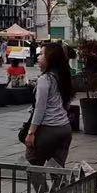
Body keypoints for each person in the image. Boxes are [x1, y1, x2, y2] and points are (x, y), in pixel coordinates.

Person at [25, 43, 74, 184]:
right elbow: (66, 104)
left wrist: (31, 133)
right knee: (57, 168)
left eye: (42, 54)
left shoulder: (45, 79)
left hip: (48, 129)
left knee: (32, 162)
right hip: (64, 128)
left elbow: (40, 108)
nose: (38, 57)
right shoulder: (63, 77)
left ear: (50, 58)